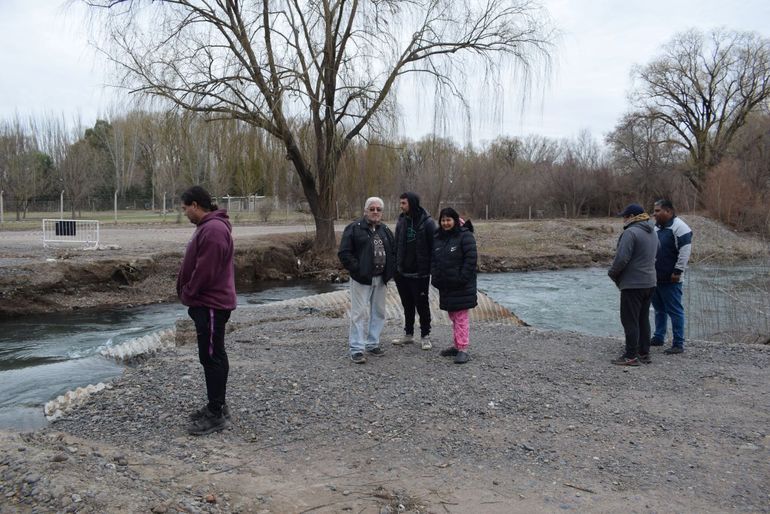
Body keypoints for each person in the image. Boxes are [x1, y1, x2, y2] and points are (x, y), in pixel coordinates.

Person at [177, 185, 237, 435]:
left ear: (195, 205)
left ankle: (216, 413)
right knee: (213, 355)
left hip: (210, 303)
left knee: (211, 356)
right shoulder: (210, 227)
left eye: (185, 208)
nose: (184, 213)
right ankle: (218, 405)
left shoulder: (212, 229)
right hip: (209, 303)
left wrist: (189, 293)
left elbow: (206, 271)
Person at [338, 197, 396, 364]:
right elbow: (344, 253)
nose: (375, 212)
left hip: (381, 278)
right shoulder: (354, 229)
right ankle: (356, 348)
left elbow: (393, 251)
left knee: (379, 312)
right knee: (358, 313)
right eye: (372, 209)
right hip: (361, 279)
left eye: (378, 209)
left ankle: (373, 343)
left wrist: (390, 271)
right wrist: (358, 269)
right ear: (365, 211)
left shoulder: (385, 230)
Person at [607, 203, 658, 366]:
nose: (623, 219)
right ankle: (644, 353)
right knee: (643, 319)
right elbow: (659, 251)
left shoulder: (630, 233)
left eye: (625, 216)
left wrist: (612, 273)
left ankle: (630, 356)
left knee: (629, 320)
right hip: (650, 282)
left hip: (633, 284)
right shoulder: (653, 232)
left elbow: (621, 259)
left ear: (631, 217)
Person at [431, 207, 477, 364]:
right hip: (446, 286)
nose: (445, 223)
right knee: (453, 316)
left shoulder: (465, 236)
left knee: (461, 316)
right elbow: (434, 260)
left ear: (455, 220)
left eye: (448, 220)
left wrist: (462, 278)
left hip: (461, 285)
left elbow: (471, 260)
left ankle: (463, 349)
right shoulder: (438, 237)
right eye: (443, 220)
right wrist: (436, 278)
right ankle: (457, 345)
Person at [393, 192, 436, 350]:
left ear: (411, 203)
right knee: (407, 305)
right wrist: (395, 268)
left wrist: (431, 269)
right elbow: (396, 244)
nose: (401, 206)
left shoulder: (428, 222)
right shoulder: (402, 220)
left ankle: (425, 336)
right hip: (402, 272)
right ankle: (408, 334)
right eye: (401, 203)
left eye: (404, 203)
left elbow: (435, 247)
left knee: (422, 305)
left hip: (420, 273)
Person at [651, 199, 693, 355]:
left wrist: (678, 271)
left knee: (675, 310)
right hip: (656, 276)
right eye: (654, 211)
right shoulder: (656, 228)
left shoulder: (681, 228)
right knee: (659, 309)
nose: (654, 214)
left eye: (657, 211)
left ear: (668, 211)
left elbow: (685, 251)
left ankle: (678, 343)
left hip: (672, 278)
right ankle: (658, 337)